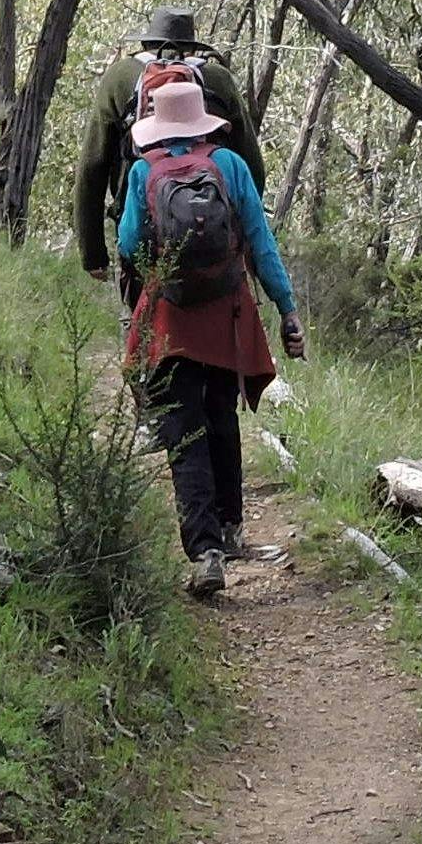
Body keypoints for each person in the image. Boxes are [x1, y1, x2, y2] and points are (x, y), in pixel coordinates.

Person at [114, 66, 301, 597]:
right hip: (228, 316)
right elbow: (262, 244)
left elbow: (129, 246)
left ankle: (205, 552)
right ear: (202, 122)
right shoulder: (231, 166)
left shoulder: (142, 172)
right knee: (221, 417)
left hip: (170, 321)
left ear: (155, 125)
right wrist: (287, 310)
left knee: (183, 431)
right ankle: (232, 527)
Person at [73, 4, 263, 277]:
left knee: (146, 314)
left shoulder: (119, 78)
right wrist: (246, 235)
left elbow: (92, 169)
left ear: (147, 40)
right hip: (216, 233)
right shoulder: (217, 79)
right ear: (193, 43)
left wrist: (93, 254)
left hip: (142, 232)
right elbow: (252, 165)